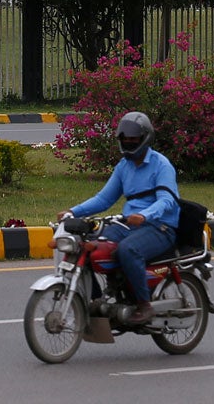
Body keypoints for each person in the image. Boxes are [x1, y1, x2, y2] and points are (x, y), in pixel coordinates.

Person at [57, 111, 178, 326]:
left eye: (134, 139)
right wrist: (73, 212)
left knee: (127, 250)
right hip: (129, 225)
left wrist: (144, 215)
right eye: (125, 139)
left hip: (160, 227)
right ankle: (96, 300)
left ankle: (144, 304)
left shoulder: (161, 165)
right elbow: (104, 198)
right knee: (87, 246)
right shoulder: (124, 166)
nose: (129, 143)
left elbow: (167, 200)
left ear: (145, 138)